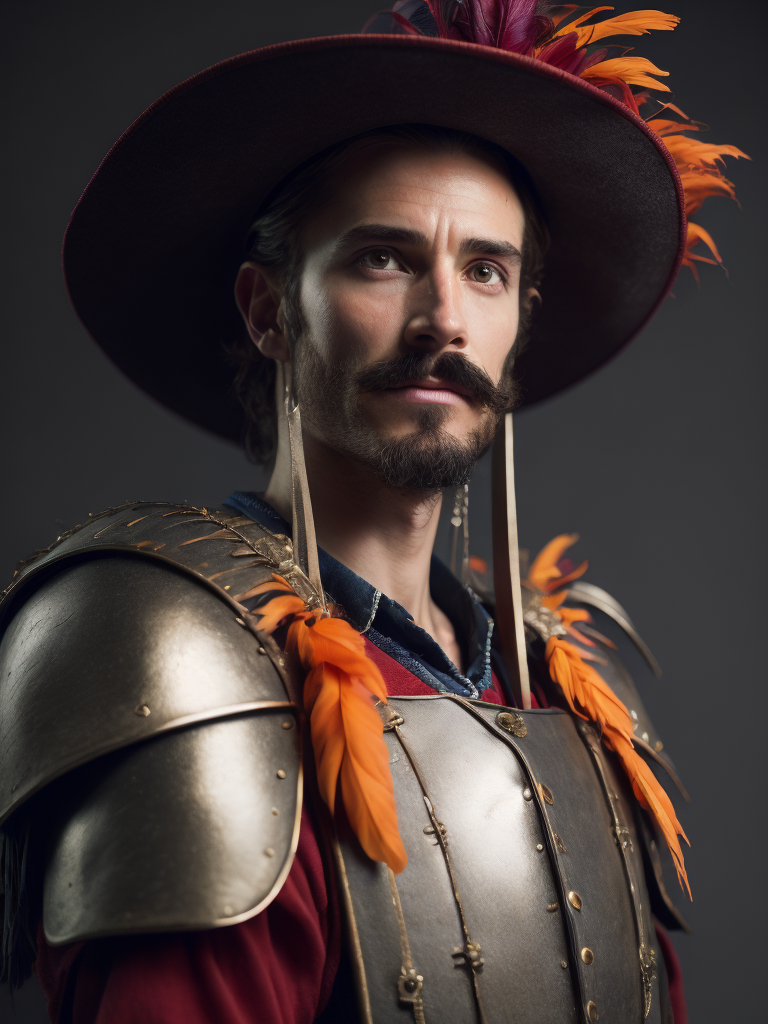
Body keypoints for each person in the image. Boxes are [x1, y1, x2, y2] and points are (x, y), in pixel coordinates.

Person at [0, 3, 745, 1022]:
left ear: (518, 324)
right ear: (269, 310)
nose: (445, 316)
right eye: (384, 258)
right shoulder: (175, 659)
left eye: (486, 269)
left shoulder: (569, 692)